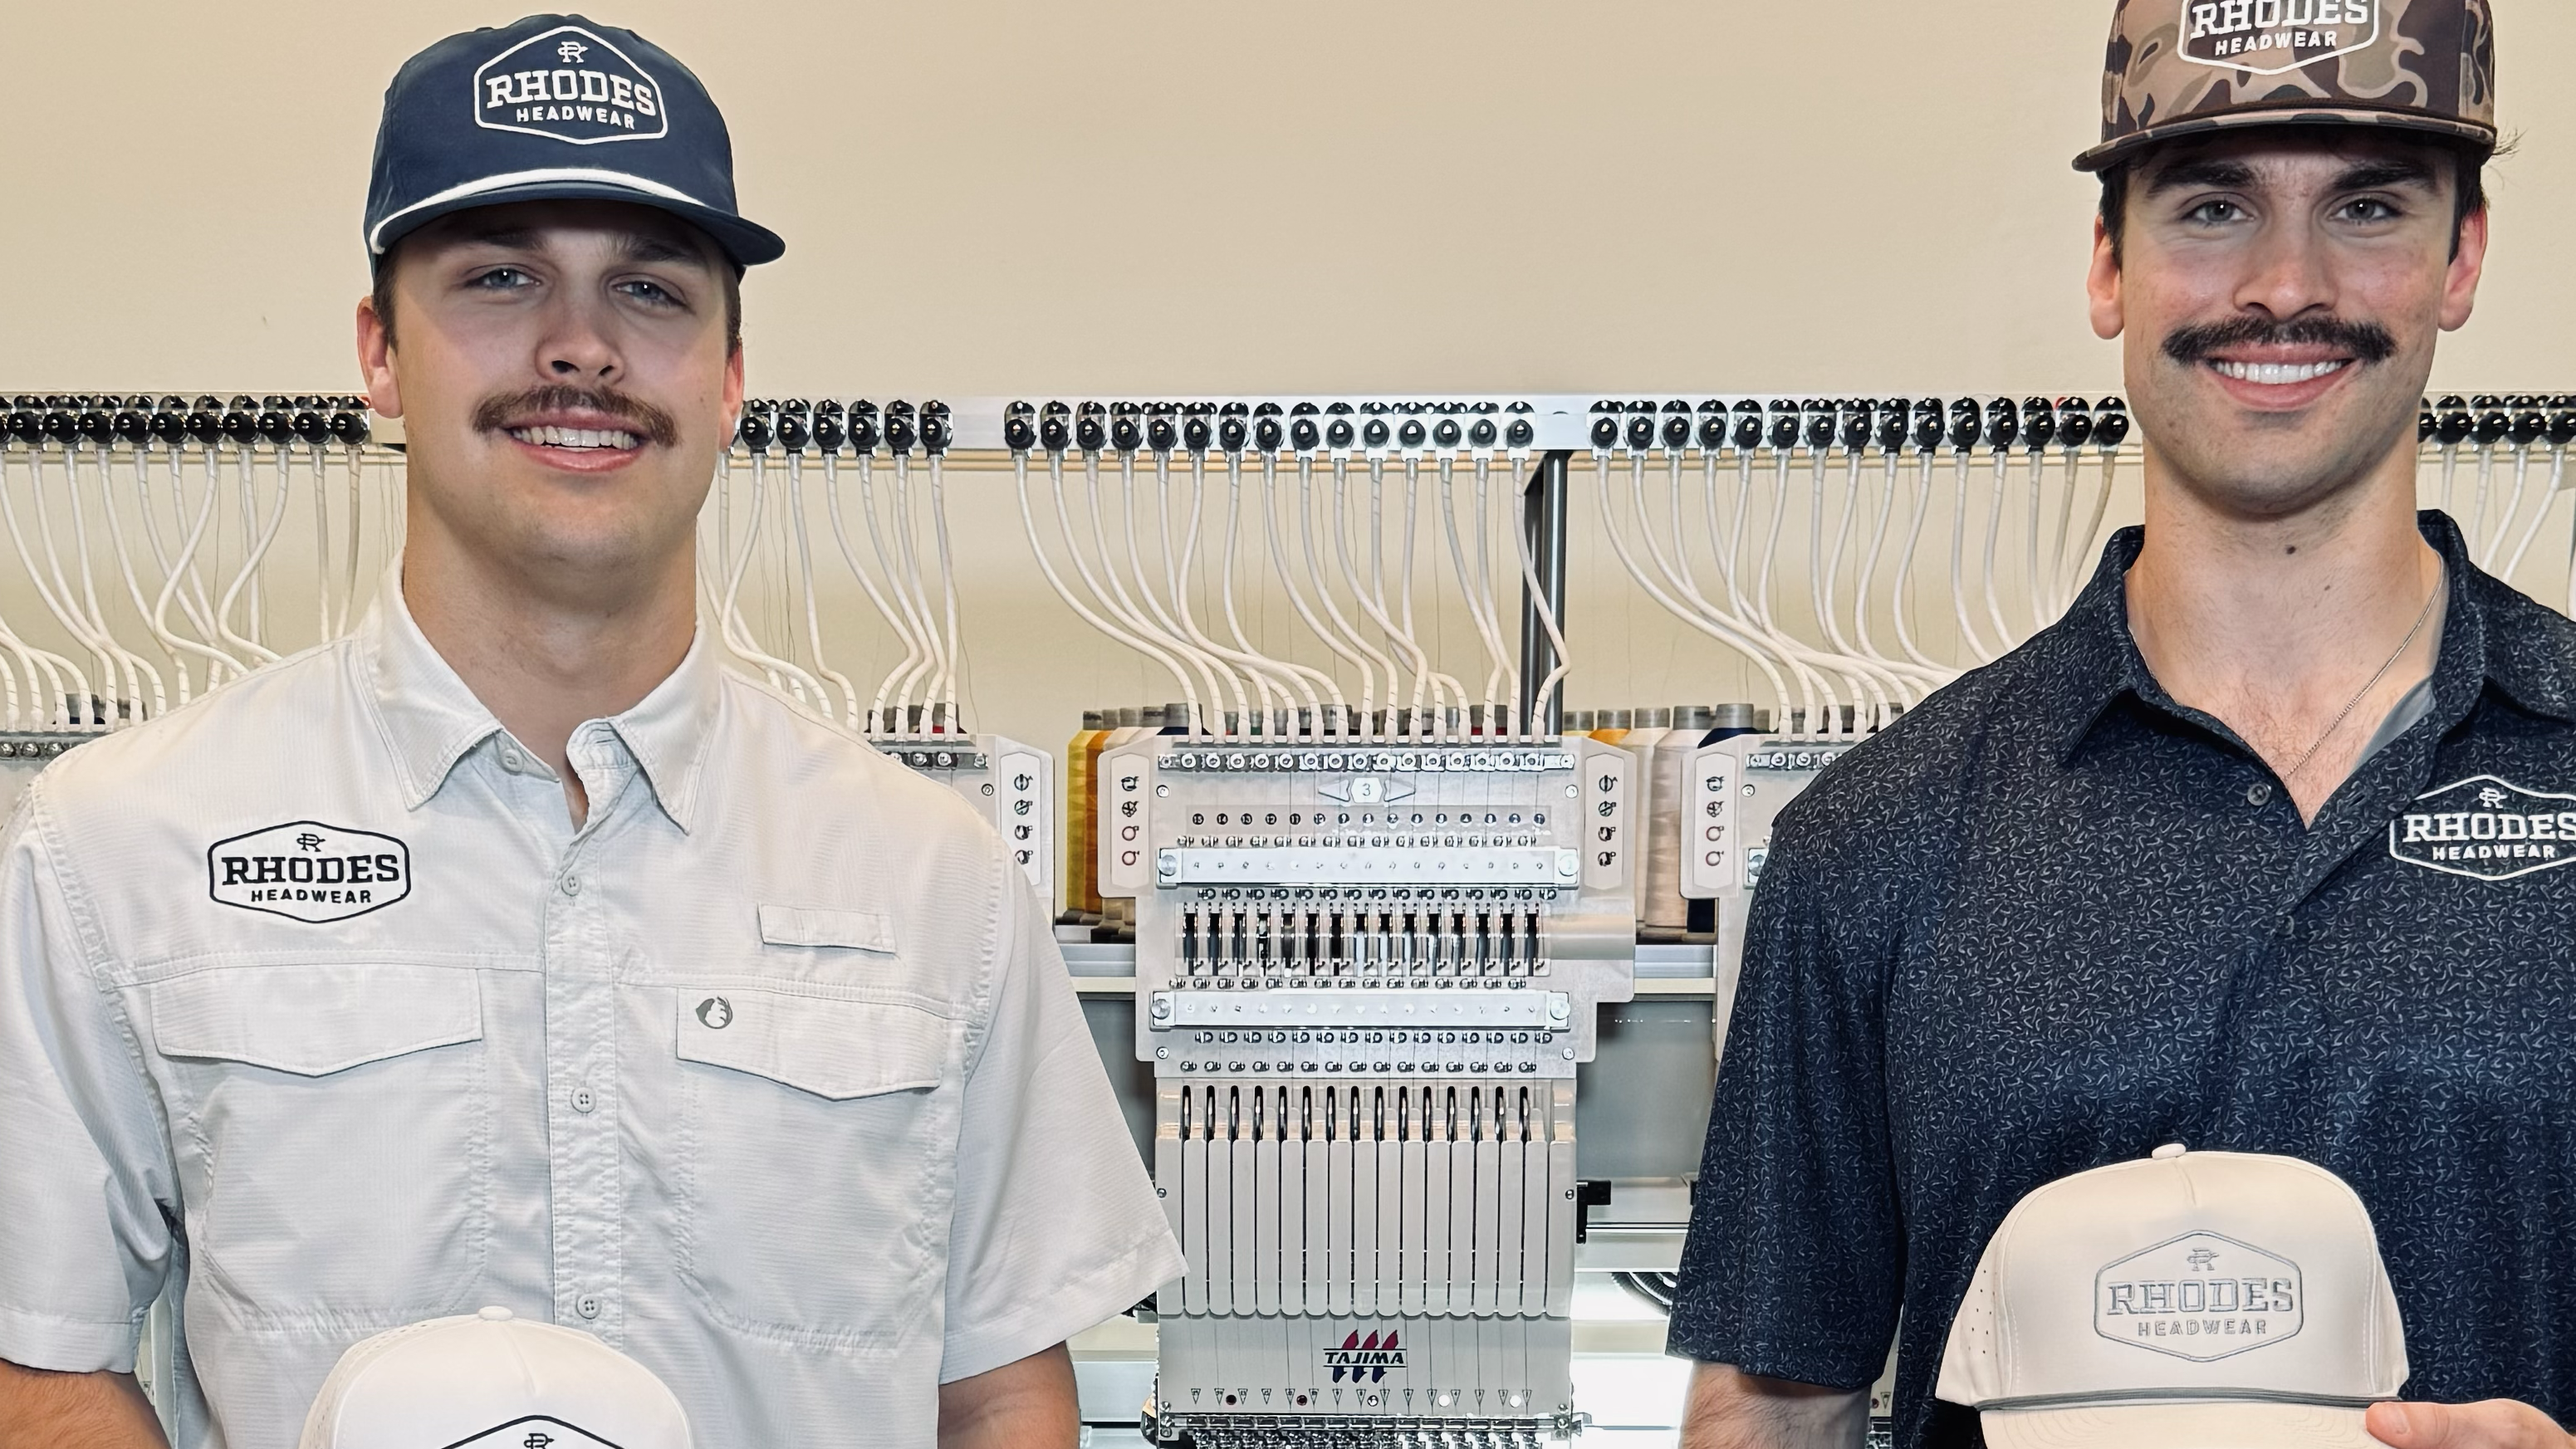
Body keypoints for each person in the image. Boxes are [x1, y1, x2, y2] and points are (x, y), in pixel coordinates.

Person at [0, 15, 1180, 1448]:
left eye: (649, 289)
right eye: (499, 279)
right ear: (380, 354)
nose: (579, 347)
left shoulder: (934, 881)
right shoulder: (122, 845)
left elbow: (997, 1391)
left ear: (729, 379)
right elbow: (40, 1368)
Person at [1669, 2, 2576, 1448]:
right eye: (2211, 209)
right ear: (2107, 264)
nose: (2284, 286)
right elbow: (1776, 1408)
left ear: (2459, 258)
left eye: (2366, 208)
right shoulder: (1879, 835)